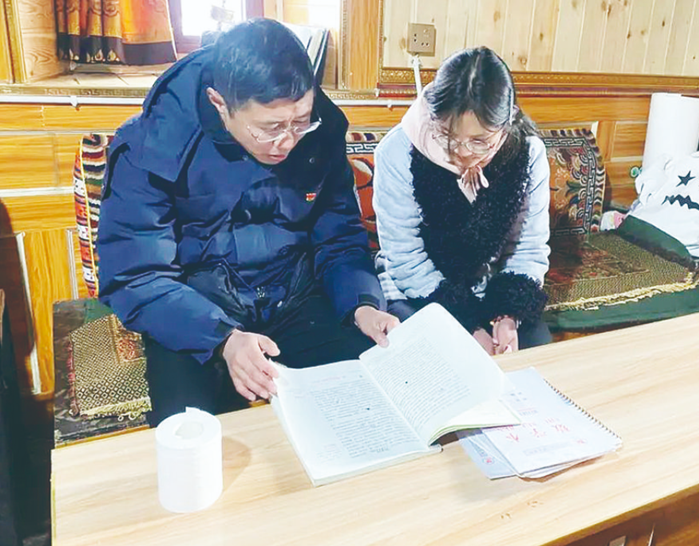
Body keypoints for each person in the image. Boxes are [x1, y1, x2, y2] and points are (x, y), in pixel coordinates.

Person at [98, 19, 399, 425]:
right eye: (269, 128)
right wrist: (222, 338)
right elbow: (137, 275)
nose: (288, 141)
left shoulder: (321, 130)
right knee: (190, 434)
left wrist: (362, 304)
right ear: (220, 105)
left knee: (372, 406)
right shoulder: (151, 146)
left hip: (294, 297)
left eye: (300, 121)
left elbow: (340, 238)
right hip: (196, 311)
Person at [372, 46, 551, 355]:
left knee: (535, 353)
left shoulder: (528, 153)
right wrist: (466, 326)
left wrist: (508, 316)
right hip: (418, 290)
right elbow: (405, 257)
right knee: (435, 357)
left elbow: (527, 249)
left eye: (480, 141)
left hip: (489, 289)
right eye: (447, 136)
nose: (463, 153)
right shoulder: (397, 152)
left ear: (506, 125)